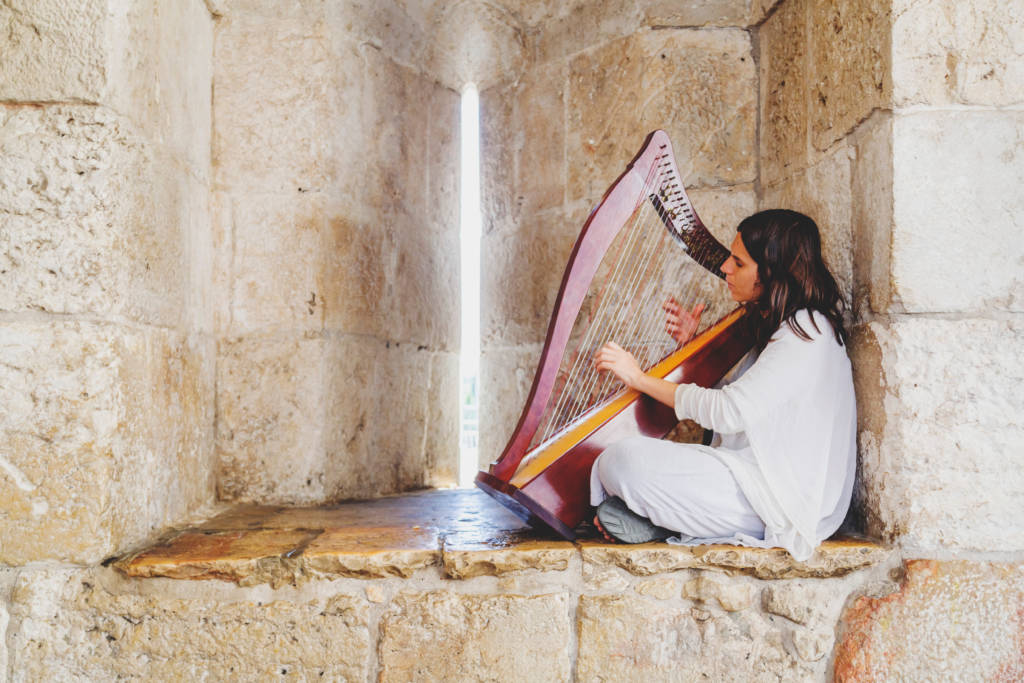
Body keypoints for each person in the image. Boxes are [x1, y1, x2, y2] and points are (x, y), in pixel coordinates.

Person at [589, 209, 856, 561]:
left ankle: (667, 520)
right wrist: (691, 344)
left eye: (739, 263)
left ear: (773, 272)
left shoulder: (807, 331)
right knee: (620, 458)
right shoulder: (785, 327)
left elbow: (729, 412)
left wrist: (638, 378)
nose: (726, 268)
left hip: (779, 501)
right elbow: (744, 401)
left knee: (624, 460)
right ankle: (668, 519)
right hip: (753, 483)